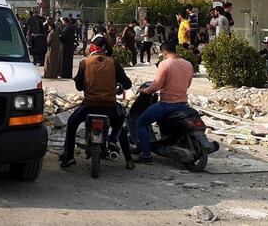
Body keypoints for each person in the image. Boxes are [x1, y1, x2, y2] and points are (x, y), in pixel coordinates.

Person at [59, 36, 133, 169]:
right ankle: (123, 154)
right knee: (121, 119)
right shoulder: (114, 63)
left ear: (92, 48)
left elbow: (79, 87)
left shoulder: (84, 63)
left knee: (71, 123)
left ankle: (68, 156)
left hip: (89, 106)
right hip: (109, 106)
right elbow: (127, 84)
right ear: (105, 49)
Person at [134, 41, 193, 164]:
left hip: (167, 104)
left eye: (162, 54)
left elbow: (156, 85)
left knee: (141, 123)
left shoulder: (164, 64)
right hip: (183, 104)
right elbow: (187, 84)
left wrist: (145, 91)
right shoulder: (188, 64)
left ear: (164, 52)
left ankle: (146, 156)